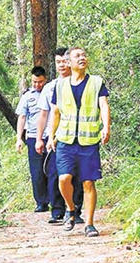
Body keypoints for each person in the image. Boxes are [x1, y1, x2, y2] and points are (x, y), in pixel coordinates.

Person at [46, 47, 111, 237]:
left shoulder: (96, 82)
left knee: (88, 183)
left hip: (88, 141)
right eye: (77, 56)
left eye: (84, 55)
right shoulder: (59, 86)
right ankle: (70, 208)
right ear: (68, 62)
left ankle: (89, 224)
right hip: (66, 140)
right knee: (64, 179)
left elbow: (104, 105)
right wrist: (51, 136)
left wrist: (106, 127)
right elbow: (55, 113)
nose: (82, 58)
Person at [36, 48, 83, 224]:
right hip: (55, 137)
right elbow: (44, 114)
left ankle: (75, 210)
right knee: (55, 173)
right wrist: (41, 138)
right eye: (58, 62)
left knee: (76, 175)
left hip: (77, 136)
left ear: (70, 62)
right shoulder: (50, 88)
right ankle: (57, 211)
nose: (62, 65)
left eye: (64, 61)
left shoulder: (81, 83)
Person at [15, 66, 50, 212]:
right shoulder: (27, 96)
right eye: (35, 82)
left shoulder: (51, 92)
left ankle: (56, 200)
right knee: (36, 171)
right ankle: (41, 202)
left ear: (45, 79)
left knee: (52, 169)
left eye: (40, 82)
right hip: (33, 136)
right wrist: (19, 138)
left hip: (50, 136)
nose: (37, 85)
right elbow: (22, 117)